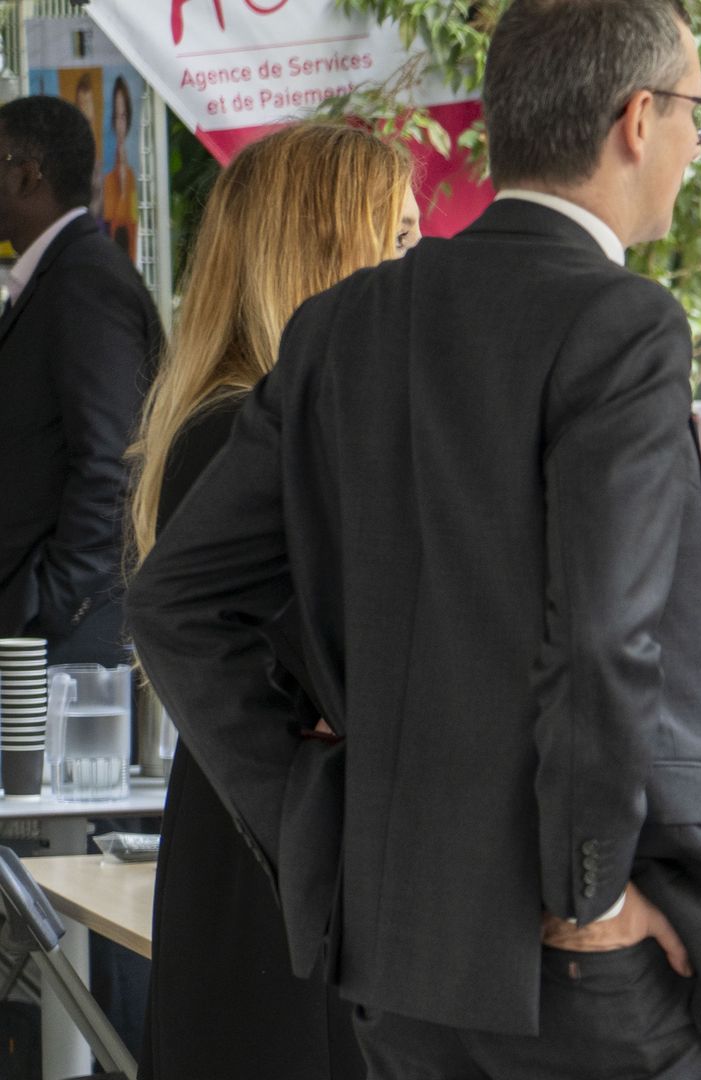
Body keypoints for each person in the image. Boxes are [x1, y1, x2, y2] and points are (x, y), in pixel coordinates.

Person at [126, 2, 701, 1077]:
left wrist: (317, 822)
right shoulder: (619, 323)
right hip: (582, 964)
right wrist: (592, 885)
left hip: (402, 962)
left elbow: (173, 603)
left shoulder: (343, 324)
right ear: (636, 119)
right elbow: (603, 641)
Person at [127, 121, 417, 1080]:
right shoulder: (246, 437)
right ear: (331, 253)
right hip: (277, 877)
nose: (422, 272)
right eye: (403, 241)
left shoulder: (239, 418)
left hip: (265, 857)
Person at [0, 95, 163, 666]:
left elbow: (112, 459)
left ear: (26, 175)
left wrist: (55, 601)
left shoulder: (83, 279)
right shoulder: (55, 274)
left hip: (72, 641)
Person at [101, 76, 138, 260]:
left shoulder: (133, 177)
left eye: (123, 116)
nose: (120, 125)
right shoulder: (107, 178)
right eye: (116, 116)